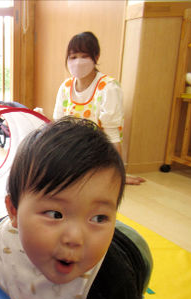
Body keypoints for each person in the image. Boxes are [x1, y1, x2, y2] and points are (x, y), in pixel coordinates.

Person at [0, 117, 153, 299]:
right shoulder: (9, 233)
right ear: (14, 211)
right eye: (55, 215)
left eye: (100, 216)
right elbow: (0, 247)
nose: (75, 237)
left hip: (133, 251)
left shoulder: (108, 281)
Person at [53, 31, 145, 185]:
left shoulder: (108, 87)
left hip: (97, 153)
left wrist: (118, 175)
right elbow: (59, 125)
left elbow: (112, 134)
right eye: (73, 57)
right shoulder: (66, 86)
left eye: (84, 56)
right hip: (71, 151)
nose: (78, 62)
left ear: (96, 57)